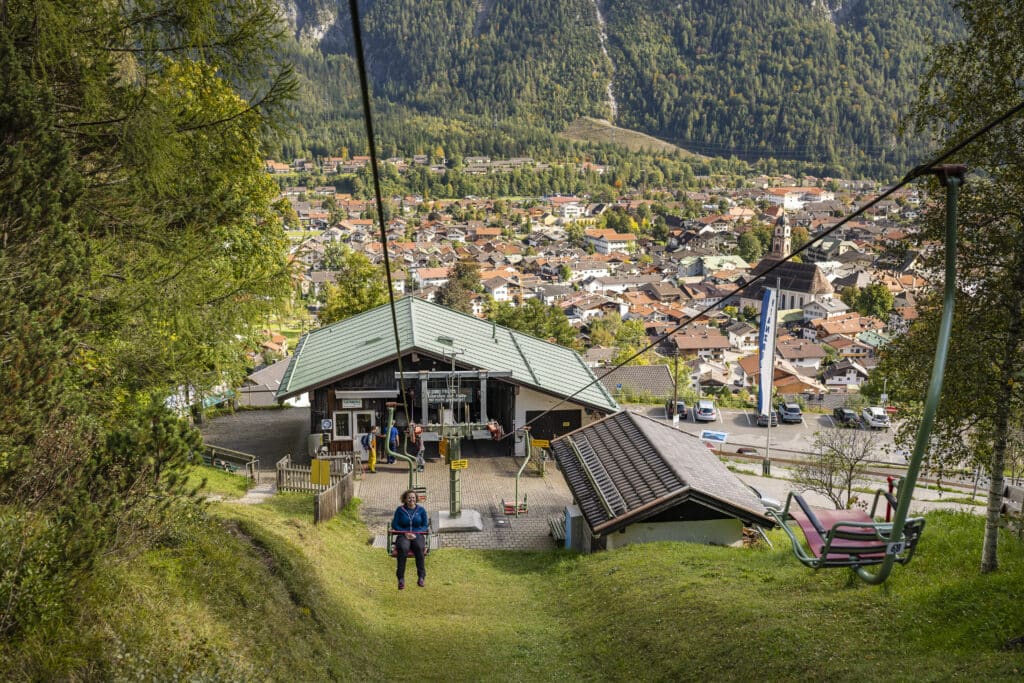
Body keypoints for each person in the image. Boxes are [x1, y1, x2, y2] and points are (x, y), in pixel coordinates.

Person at [391, 489, 428, 589]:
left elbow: (425, 525)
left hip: (417, 534)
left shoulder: (421, 510)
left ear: (416, 499)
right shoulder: (400, 510)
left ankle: (421, 577)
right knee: (403, 548)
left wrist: (416, 533)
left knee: (419, 547)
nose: (411, 499)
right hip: (403, 534)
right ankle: (401, 578)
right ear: (405, 499)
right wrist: (405, 532)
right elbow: (394, 524)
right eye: (409, 498)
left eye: (413, 497)